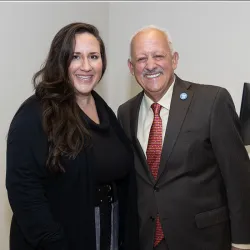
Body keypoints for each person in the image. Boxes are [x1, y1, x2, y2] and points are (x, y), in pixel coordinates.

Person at [6, 22, 139, 250]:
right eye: (76, 57)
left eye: (94, 57)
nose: (86, 66)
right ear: (61, 60)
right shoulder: (34, 114)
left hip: (108, 235)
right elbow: (24, 193)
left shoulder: (103, 108)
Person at [117, 25, 250, 250]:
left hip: (205, 240)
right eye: (141, 59)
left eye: (158, 56)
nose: (150, 65)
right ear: (131, 67)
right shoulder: (125, 112)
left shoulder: (212, 101)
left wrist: (242, 242)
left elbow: (239, 178)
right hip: (146, 240)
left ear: (174, 59)